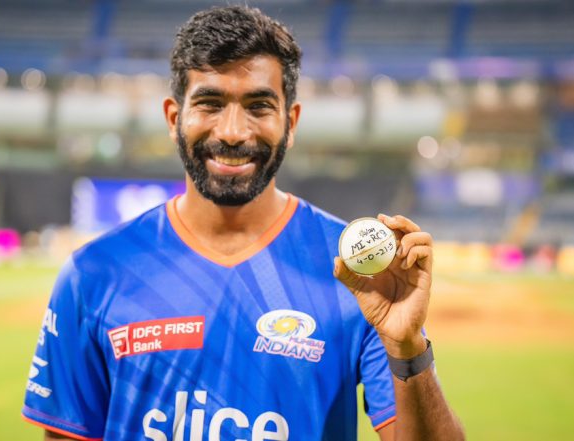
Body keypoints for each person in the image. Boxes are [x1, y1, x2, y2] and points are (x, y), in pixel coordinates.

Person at [23, 6, 464, 441]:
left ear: (290, 123)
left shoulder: (359, 278)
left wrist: (408, 347)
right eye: (210, 103)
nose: (232, 131)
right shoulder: (94, 274)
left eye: (258, 106)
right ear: (175, 119)